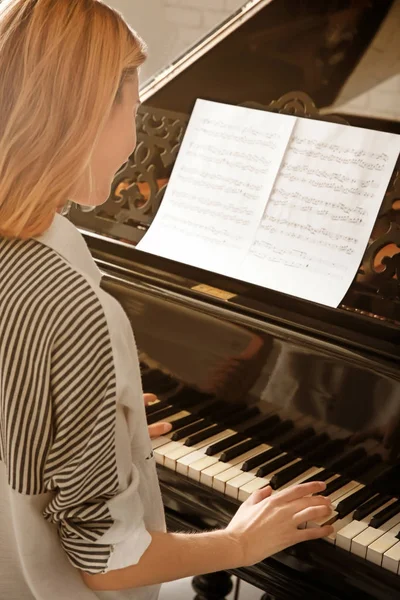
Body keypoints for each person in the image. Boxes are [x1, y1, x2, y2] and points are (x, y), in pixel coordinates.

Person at [0, 1, 334, 599]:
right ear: (86, 116)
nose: (133, 142)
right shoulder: (71, 307)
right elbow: (108, 563)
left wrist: (100, 438)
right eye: (136, 105)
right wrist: (239, 544)